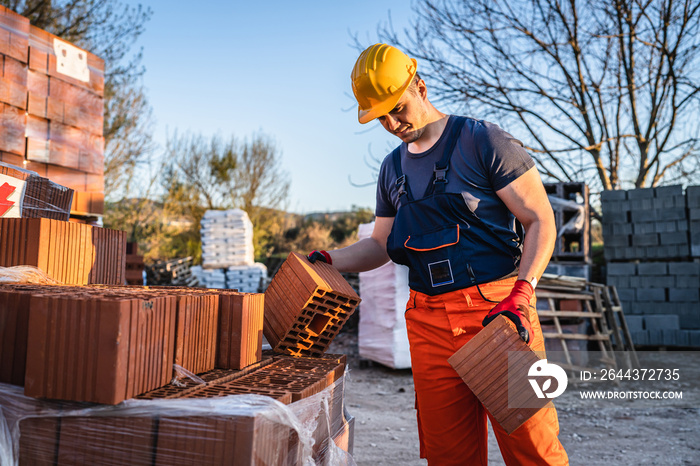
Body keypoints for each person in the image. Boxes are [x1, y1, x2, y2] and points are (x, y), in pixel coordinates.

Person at [309, 43, 568, 465]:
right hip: (428, 324)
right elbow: (379, 244)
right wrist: (329, 259)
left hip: (498, 315)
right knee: (448, 454)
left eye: (398, 108)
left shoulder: (484, 141)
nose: (393, 124)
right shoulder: (392, 169)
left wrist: (523, 292)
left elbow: (541, 220)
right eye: (381, 117)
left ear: (420, 87)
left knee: (531, 444)